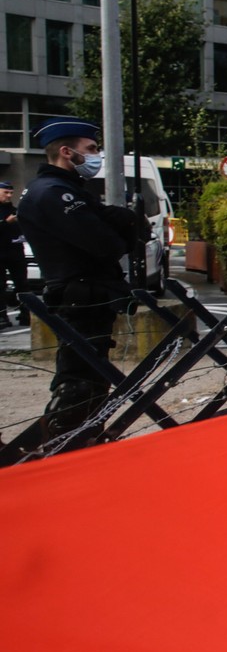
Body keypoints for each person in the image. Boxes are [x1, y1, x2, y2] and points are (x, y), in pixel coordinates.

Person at [16, 119, 150, 441]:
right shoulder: (53, 193)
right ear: (66, 152)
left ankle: (83, 441)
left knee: (93, 380)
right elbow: (108, 244)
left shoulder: (68, 189)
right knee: (78, 381)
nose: (95, 155)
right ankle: (58, 445)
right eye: (90, 149)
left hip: (90, 295)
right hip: (79, 297)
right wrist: (122, 226)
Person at [0, 180, 28, 327]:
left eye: (11, 192)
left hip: (15, 252)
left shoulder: (13, 210)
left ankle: (25, 314)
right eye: (6, 192)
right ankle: (2, 317)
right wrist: (5, 223)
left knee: (22, 285)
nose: (9, 195)